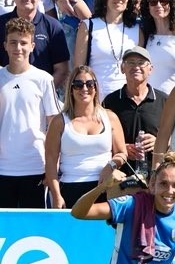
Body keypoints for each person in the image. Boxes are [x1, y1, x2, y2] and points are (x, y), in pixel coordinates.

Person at [44, 65, 128, 208]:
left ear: (96, 88)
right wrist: (57, 195)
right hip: (70, 187)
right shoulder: (59, 122)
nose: (84, 89)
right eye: (78, 85)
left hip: (104, 187)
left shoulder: (110, 117)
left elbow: (122, 153)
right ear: (70, 89)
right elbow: (51, 162)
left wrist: (111, 165)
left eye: (90, 84)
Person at [0, 17, 61, 208]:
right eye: (13, 42)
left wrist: (52, 168)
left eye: (23, 42)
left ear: (33, 46)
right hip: (3, 168)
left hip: (35, 166)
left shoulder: (43, 79)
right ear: (5, 45)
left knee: (32, 228)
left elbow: (55, 124)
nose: (18, 47)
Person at [102, 46, 166, 181]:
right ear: (122, 68)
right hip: (121, 177)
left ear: (151, 69)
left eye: (141, 63)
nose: (136, 67)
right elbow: (101, 138)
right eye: (130, 62)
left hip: (156, 177)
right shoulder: (110, 102)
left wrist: (159, 143)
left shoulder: (164, 100)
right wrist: (121, 148)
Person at [74, 0, 140, 98]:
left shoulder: (137, 29)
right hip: (96, 97)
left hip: (127, 99)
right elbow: (79, 69)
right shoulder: (88, 26)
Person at [0, 0, 70, 89]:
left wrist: (43, 93)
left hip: (41, 98)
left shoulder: (53, 27)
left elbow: (61, 69)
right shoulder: (1, 24)